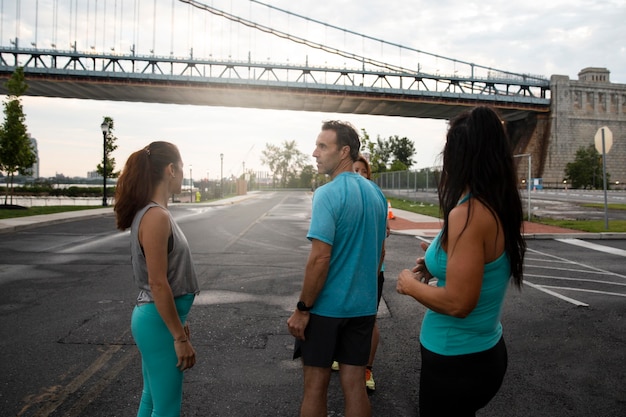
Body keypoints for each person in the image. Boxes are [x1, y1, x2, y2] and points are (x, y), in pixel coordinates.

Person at [396, 106, 526, 417]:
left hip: (456, 361)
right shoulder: (497, 205)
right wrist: (436, 260)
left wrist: (409, 286)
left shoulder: (467, 214)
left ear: (461, 156)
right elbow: (480, 263)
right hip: (483, 353)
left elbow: (458, 302)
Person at [287, 121, 388, 417]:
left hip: (327, 310)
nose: (314, 153)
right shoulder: (376, 195)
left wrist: (303, 308)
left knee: (315, 387)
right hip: (363, 308)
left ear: (344, 151)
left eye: (322, 146)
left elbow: (320, 258)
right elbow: (380, 253)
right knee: (355, 384)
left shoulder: (327, 194)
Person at [114, 141, 200, 417]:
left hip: (159, 319)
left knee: (152, 400)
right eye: (183, 167)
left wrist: (179, 324)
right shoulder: (155, 216)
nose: (184, 174)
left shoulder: (154, 213)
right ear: (171, 170)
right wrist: (178, 336)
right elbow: (158, 283)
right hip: (157, 322)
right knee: (166, 408)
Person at [350, 154, 388, 393]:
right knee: (348, 319)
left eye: (364, 171)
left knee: (369, 320)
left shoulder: (376, 197)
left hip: (372, 272)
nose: (360, 175)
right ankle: (345, 358)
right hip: (349, 271)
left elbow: (382, 244)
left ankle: (367, 368)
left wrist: (373, 275)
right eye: (355, 170)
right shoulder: (344, 197)